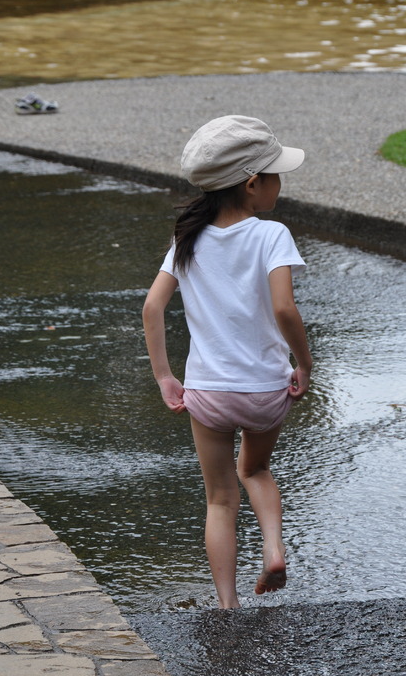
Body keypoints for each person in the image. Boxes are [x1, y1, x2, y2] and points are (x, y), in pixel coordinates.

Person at [142, 115, 312, 609]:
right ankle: (274, 548)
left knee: (219, 499)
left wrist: (164, 377)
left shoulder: (187, 239)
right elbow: (284, 308)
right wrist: (303, 363)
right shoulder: (271, 235)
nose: (282, 183)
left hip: (208, 392)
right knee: (256, 470)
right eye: (277, 174)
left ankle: (226, 604)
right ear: (254, 184)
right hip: (264, 390)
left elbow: (153, 307)